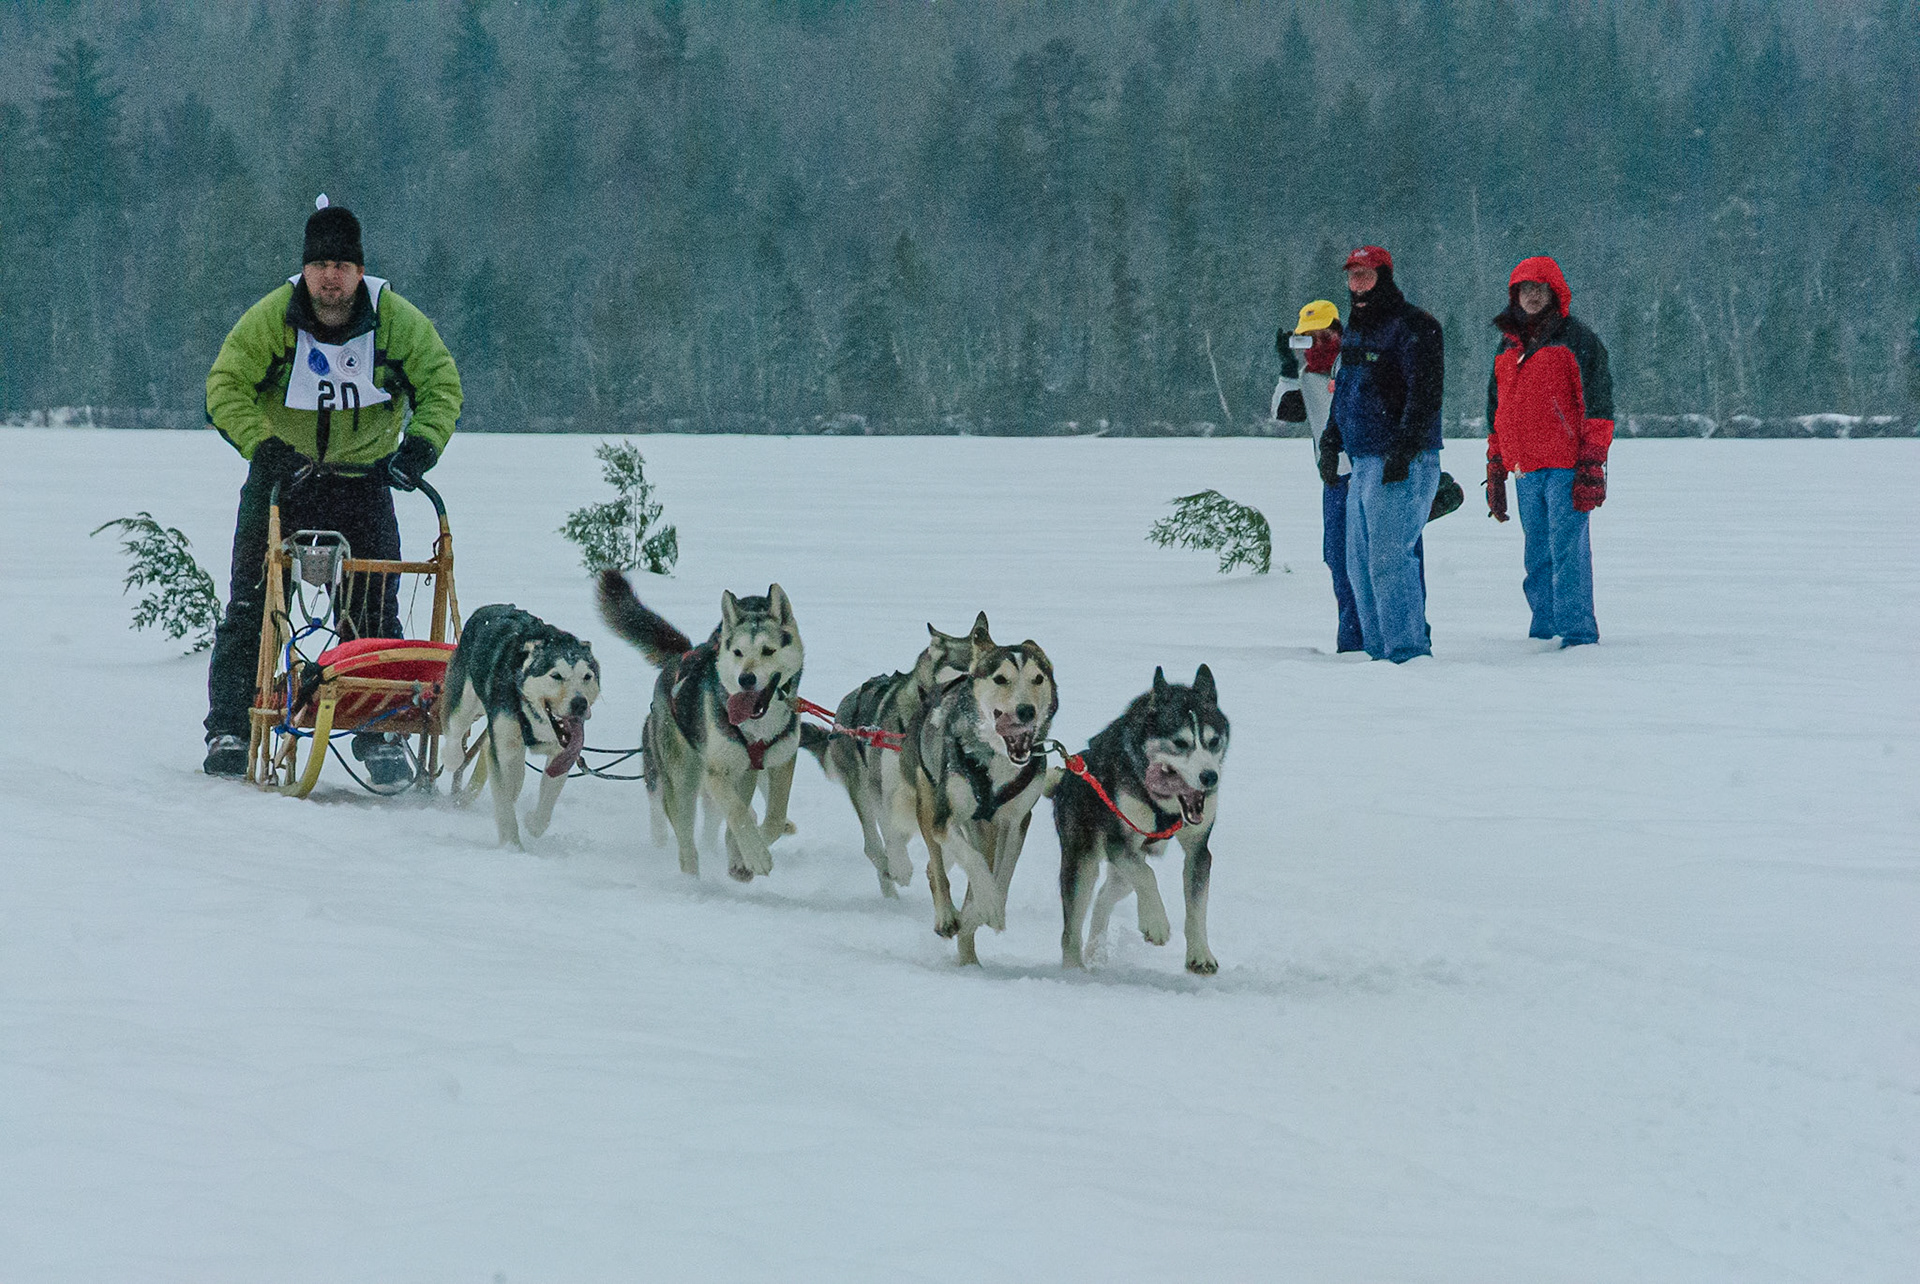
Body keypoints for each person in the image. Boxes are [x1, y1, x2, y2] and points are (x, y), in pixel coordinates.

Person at [200, 198, 463, 780]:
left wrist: (419, 446)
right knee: (254, 608)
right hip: (283, 482)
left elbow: (440, 383)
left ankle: (381, 732)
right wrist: (263, 447)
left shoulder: (394, 319)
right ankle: (230, 728)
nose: (331, 277)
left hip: (364, 484)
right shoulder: (274, 317)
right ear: (305, 270)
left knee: (372, 614)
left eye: (343, 265)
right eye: (320, 265)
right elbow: (226, 384)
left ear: (361, 272)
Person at [1322, 246, 1445, 662]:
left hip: (1402, 461)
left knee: (1390, 559)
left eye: (1366, 274)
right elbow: (1347, 392)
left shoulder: (1415, 326)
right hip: (1362, 460)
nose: (1358, 283)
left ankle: (1407, 653)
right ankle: (1379, 653)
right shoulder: (1356, 329)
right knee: (1359, 565)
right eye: (1352, 275)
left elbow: (1425, 393)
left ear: (1385, 276)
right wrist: (1331, 439)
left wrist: (1406, 447)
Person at [1484, 255, 1614, 648]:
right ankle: (1544, 631)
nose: (1532, 296)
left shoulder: (1578, 340)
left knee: (1567, 552)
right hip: (1525, 468)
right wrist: (1496, 463)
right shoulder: (1507, 347)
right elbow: (1497, 411)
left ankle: (1576, 633)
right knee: (1537, 554)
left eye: (1539, 289)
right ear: (1515, 295)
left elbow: (1598, 407)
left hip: (1566, 465)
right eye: (1525, 289)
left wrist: (1592, 460)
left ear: (1555, 292)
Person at [1272, 300, 1363, 652]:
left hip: (1364, 473)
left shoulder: (1353, 365)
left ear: (1338, 332)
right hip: (1333, 481)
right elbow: (1286, 411)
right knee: (1338, 560)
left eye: (1322, 335)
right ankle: (1351, 641)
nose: (1316, 344)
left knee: (1366, 560)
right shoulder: (1308, 376)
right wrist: (1285, 367)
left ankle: (1370, 637)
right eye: (1307, 338)